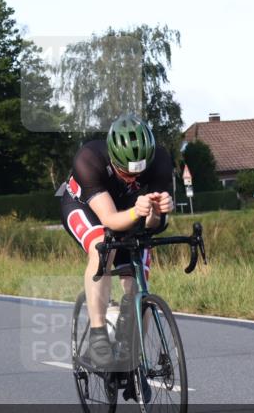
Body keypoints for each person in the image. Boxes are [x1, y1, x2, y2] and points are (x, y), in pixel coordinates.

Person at [59, 113, 174, 370]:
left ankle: (131, 356)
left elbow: (153, 226)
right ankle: (98, 337)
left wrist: (157, 211)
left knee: (137, 280)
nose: (133, 180)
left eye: (139, 174)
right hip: (85, 208)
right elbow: (110, 220)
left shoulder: (161, 162)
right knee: (102, 246)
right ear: (112, 158)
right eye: (124, 172)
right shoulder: (89, 159)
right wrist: (137, 211)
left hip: (131, 211)